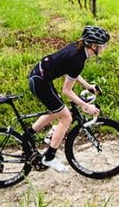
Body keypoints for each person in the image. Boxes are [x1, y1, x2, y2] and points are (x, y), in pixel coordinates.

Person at [25, 25, 109, 172]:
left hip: (39, 77)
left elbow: (73, 73)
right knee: (66, 118)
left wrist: (87, 86)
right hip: (40, 82)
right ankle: (49, 157)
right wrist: (85, 106)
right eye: (103, 45)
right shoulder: (78, 60)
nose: (104, 48)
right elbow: (67, 91)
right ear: (93, 46)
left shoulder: (77, 49)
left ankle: (28, 136)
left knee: (56, 110)